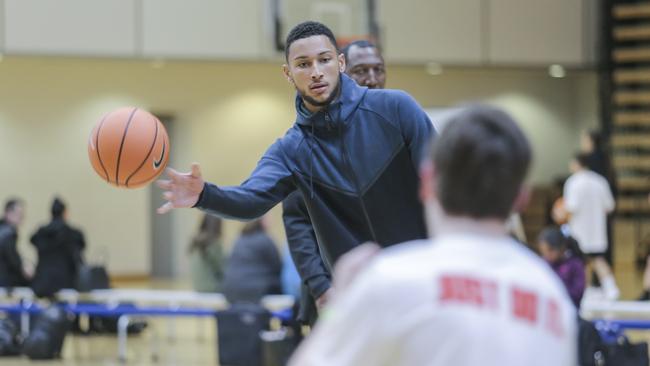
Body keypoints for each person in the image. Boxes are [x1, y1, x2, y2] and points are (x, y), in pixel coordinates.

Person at [157, 21, 434, 299]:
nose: (315, 72)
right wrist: (203, 195)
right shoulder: (290, 150)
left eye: (323, 60)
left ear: (339, 62)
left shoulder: (397, 109)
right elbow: (250, 200)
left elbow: (444, 185)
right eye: (303, 64)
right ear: (288, 74)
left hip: (423, 279)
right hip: (358, 297)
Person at [289, 105, 576, 366]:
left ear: (426, 181)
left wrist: (339, 310)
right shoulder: (551, 295)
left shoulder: (392, 279)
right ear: (521, 199)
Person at [282, 39, 389, 319]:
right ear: (340, 72)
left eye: (378, 70)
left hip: (391, 293)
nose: (372, 79)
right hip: (335, 295)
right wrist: (320, 287)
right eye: (362, 70)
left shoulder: (398, 127)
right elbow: (297, 223)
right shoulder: (306, 143)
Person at [561, 153, 618, 300]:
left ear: (576, 164)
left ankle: (583, 291)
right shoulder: (600, 181)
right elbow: (609, 206)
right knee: (598, 259)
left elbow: (571, 208)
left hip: (579, 230)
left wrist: (560, 217)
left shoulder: (573, 182)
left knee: (581, 262)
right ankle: (611, 289)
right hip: (597, 229)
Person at [30, 197, 85, 297]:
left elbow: (32, 240)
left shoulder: (40, 233)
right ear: (65, 213)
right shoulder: (73, 234)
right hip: (67, 284)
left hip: (43, 284)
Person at [222, 217, 282, 302]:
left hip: (231, 288)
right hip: (257, 289)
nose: (271, 221)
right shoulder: (265, 239)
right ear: (261, 221)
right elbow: (277, 266)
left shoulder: (239, 240)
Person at [538, 227, 586, 308]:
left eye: (550, 250)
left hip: (570, 310)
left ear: (562, 248)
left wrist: (555, 293)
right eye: (544, 252)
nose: (547, 255)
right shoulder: (544, 264)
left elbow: (578, 293)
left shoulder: (575, 264)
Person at [188, 214, 224, 293]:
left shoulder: (195, 240)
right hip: (212, 287)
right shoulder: (213, 243)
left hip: (197, 286)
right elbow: (223, 268)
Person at [0, 198, 30, 287]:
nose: (21, 218)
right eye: (19, 214)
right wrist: (23, 266)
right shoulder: (8, 232)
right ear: (8, 213)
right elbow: (11, 255)